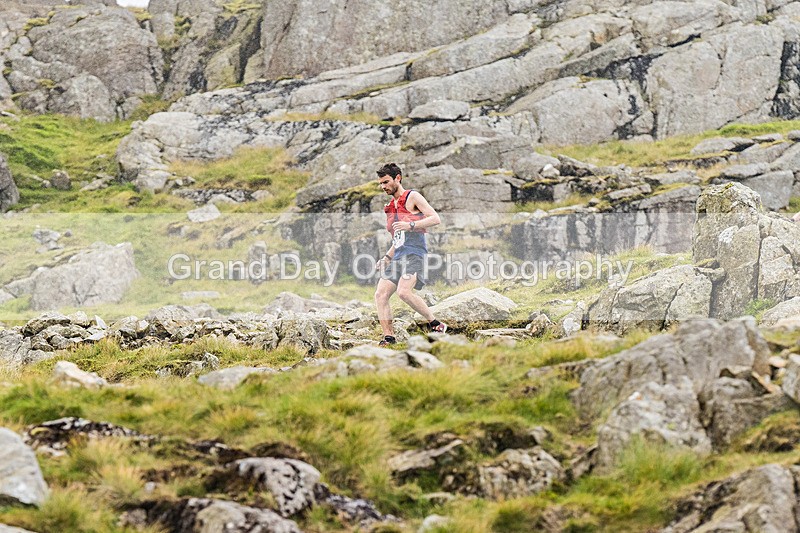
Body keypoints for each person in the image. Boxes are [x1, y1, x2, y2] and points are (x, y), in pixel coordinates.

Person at [374, 163, 447, 346]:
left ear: (398, 178)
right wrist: (387, 257)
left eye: (386, 182)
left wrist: (411, 225)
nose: (383, 187)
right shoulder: (390, 207)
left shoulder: (412, 196)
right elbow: (397, 238)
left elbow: (435, 218)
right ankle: (388, 337)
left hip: (415, 254)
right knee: (380, 295)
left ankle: (436, 324)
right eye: (381, 183)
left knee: (404, 292)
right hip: (398, 256)